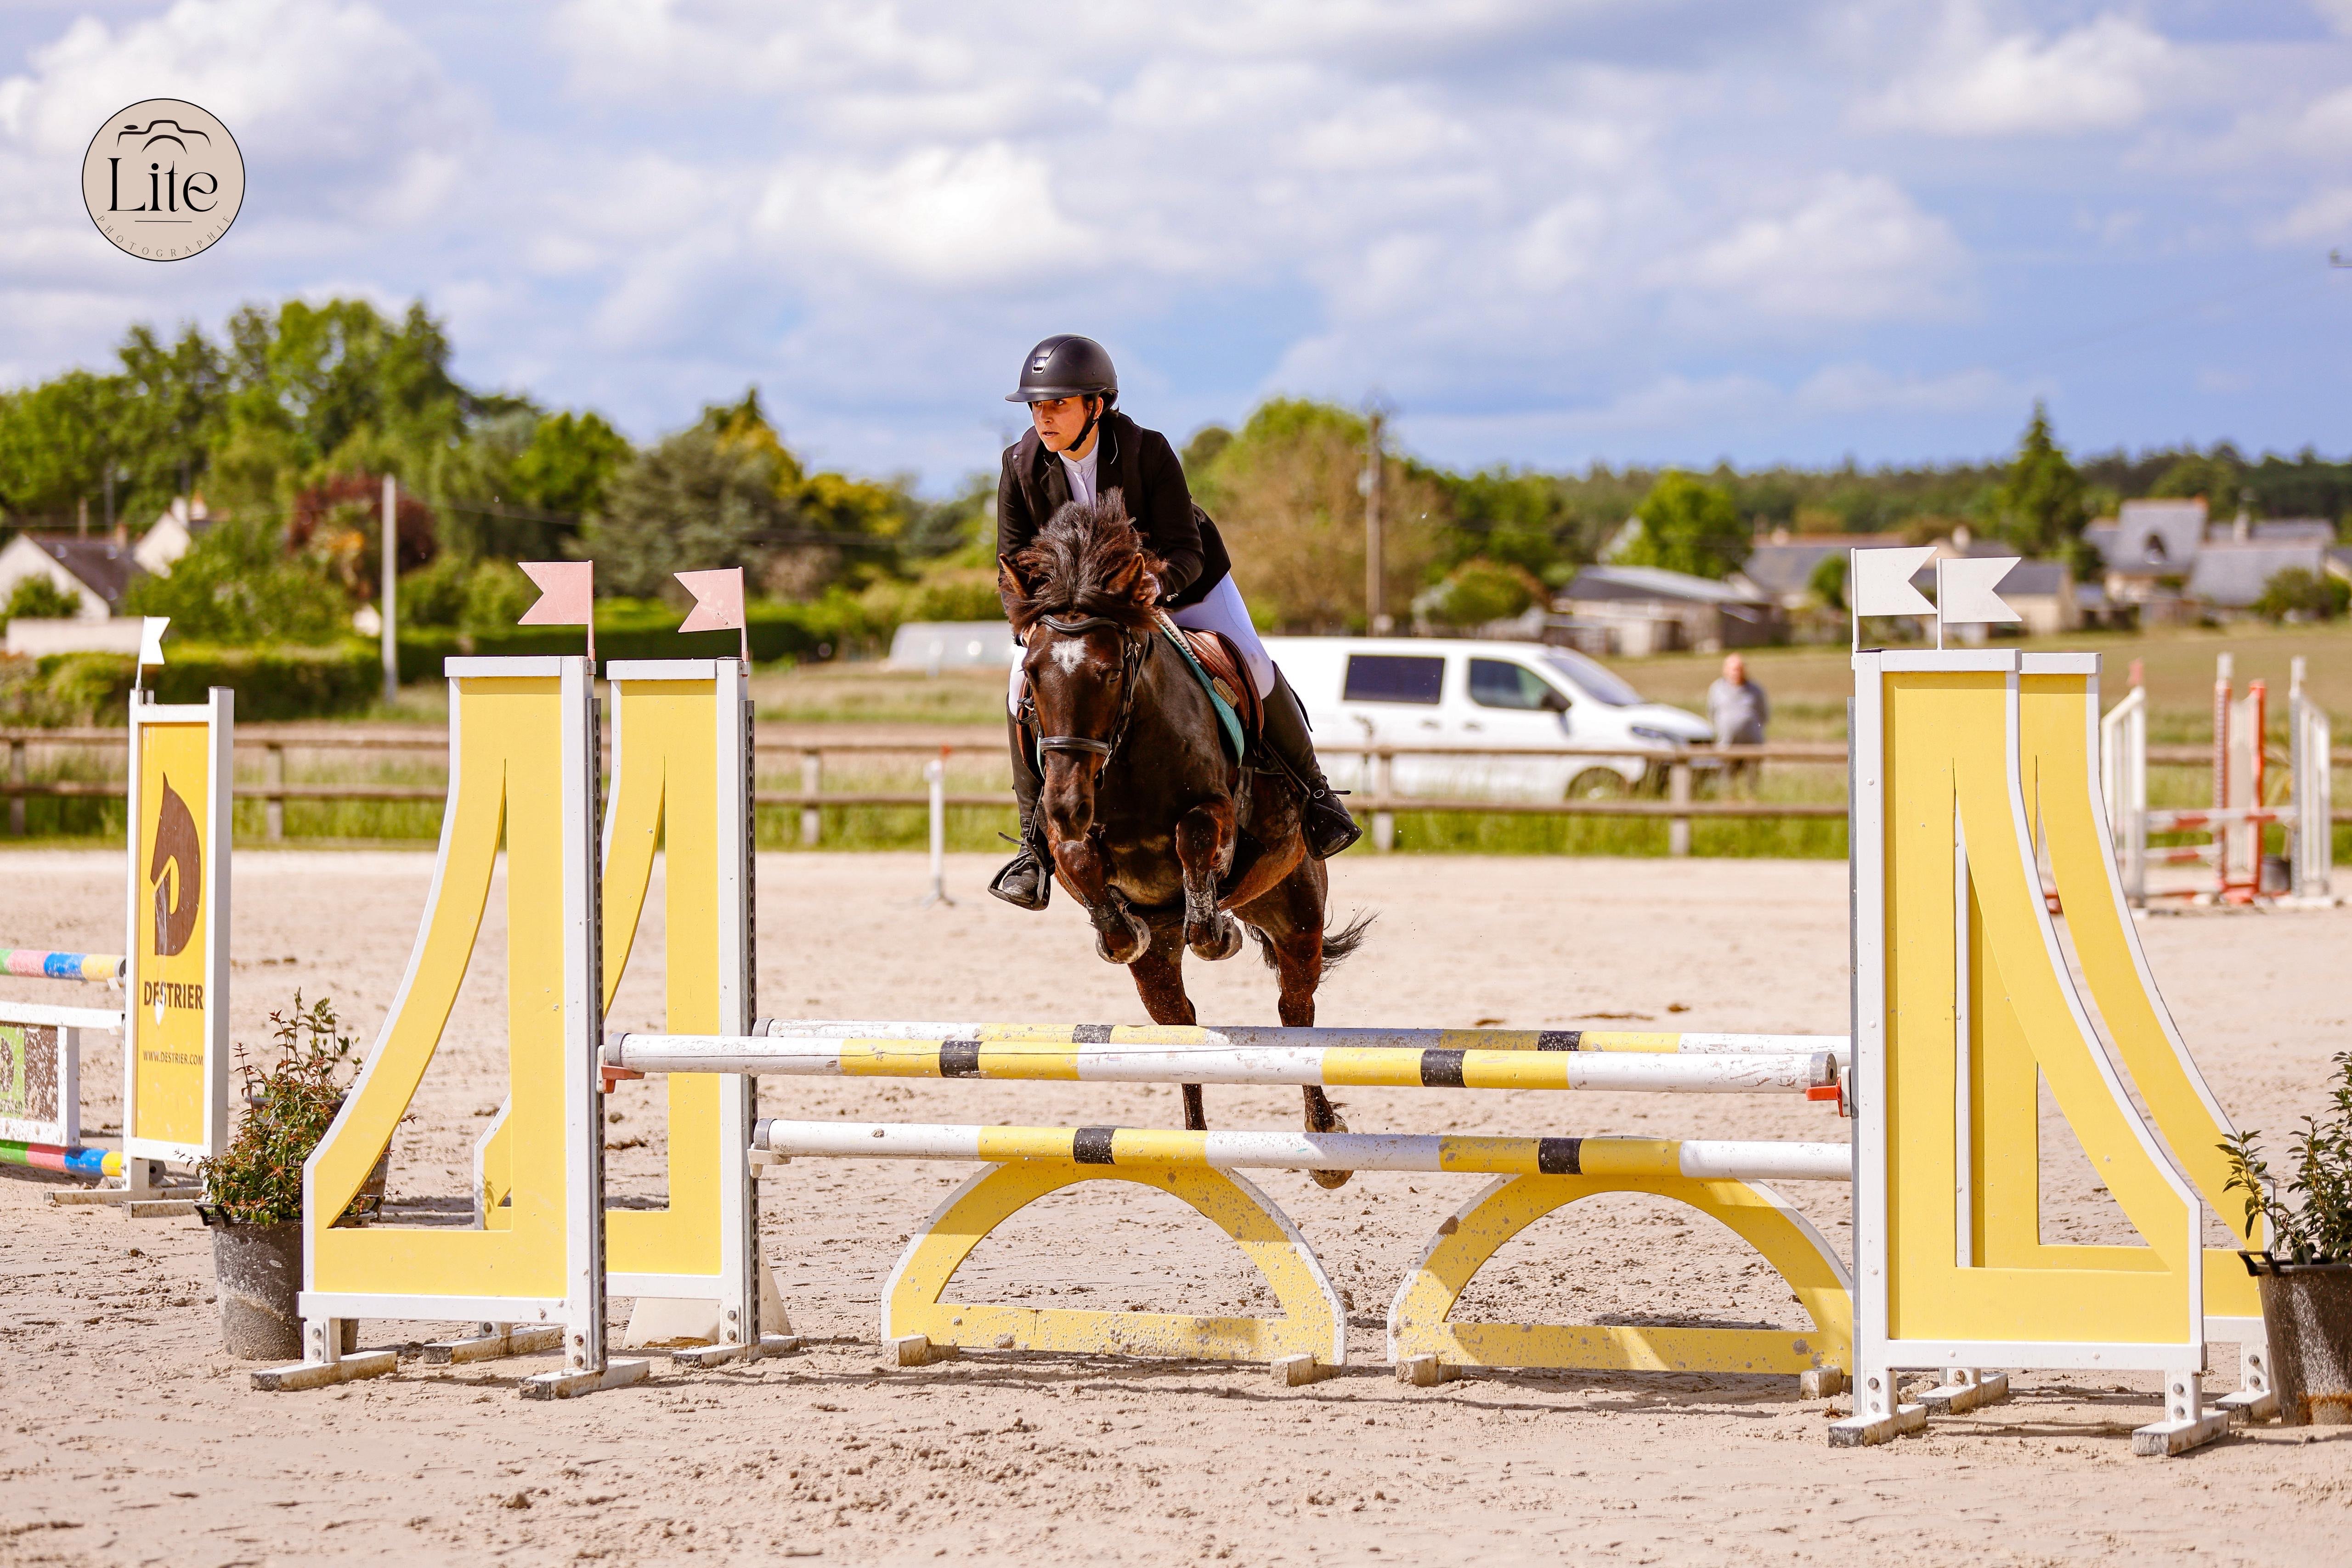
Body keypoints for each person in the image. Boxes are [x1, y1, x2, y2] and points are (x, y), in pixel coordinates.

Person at [989, 333, 1360, 909]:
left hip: (1179, 585)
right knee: (1019, 686)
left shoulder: (1146, 450)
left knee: (1252, 663)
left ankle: (1317, 799)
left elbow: (1185, 547)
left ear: (1096, 405)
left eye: (1056, 404)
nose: (1043, 416)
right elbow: (1011, 559)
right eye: (1037, 406)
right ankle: (1033, 847)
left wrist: (1151, 590)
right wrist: (1032, 617)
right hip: (1077, 612)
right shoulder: (1019, 465)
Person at [1706, 653, 1769, 795]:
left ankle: (1752, 808)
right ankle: (1728, 808)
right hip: (1727, 745)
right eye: (1733, 669)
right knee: (1727, 781)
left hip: (1752, 745)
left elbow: (1764, 716)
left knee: (1752, 782)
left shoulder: (1756, 691)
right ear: (1725, 670)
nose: (1736, 672)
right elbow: (1711, 713)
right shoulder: (1717, 689)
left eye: (1739, 669)